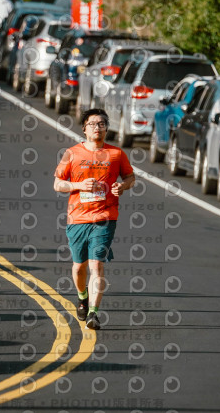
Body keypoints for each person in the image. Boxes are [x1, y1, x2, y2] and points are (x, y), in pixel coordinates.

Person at [53, 108, 135, 330]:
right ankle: (82, 296)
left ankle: (93, 313)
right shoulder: (72, 153)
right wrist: (79, 185)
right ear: (84, 129)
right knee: (79, 267)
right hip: (77, 218)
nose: (97, 128)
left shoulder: (116, 154)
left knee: (96, 264)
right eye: (92, 124)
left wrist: (123, 186)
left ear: (106, 128)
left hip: (105, 217)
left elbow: (130, 177)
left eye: (101, 124)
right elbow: (58, 184)